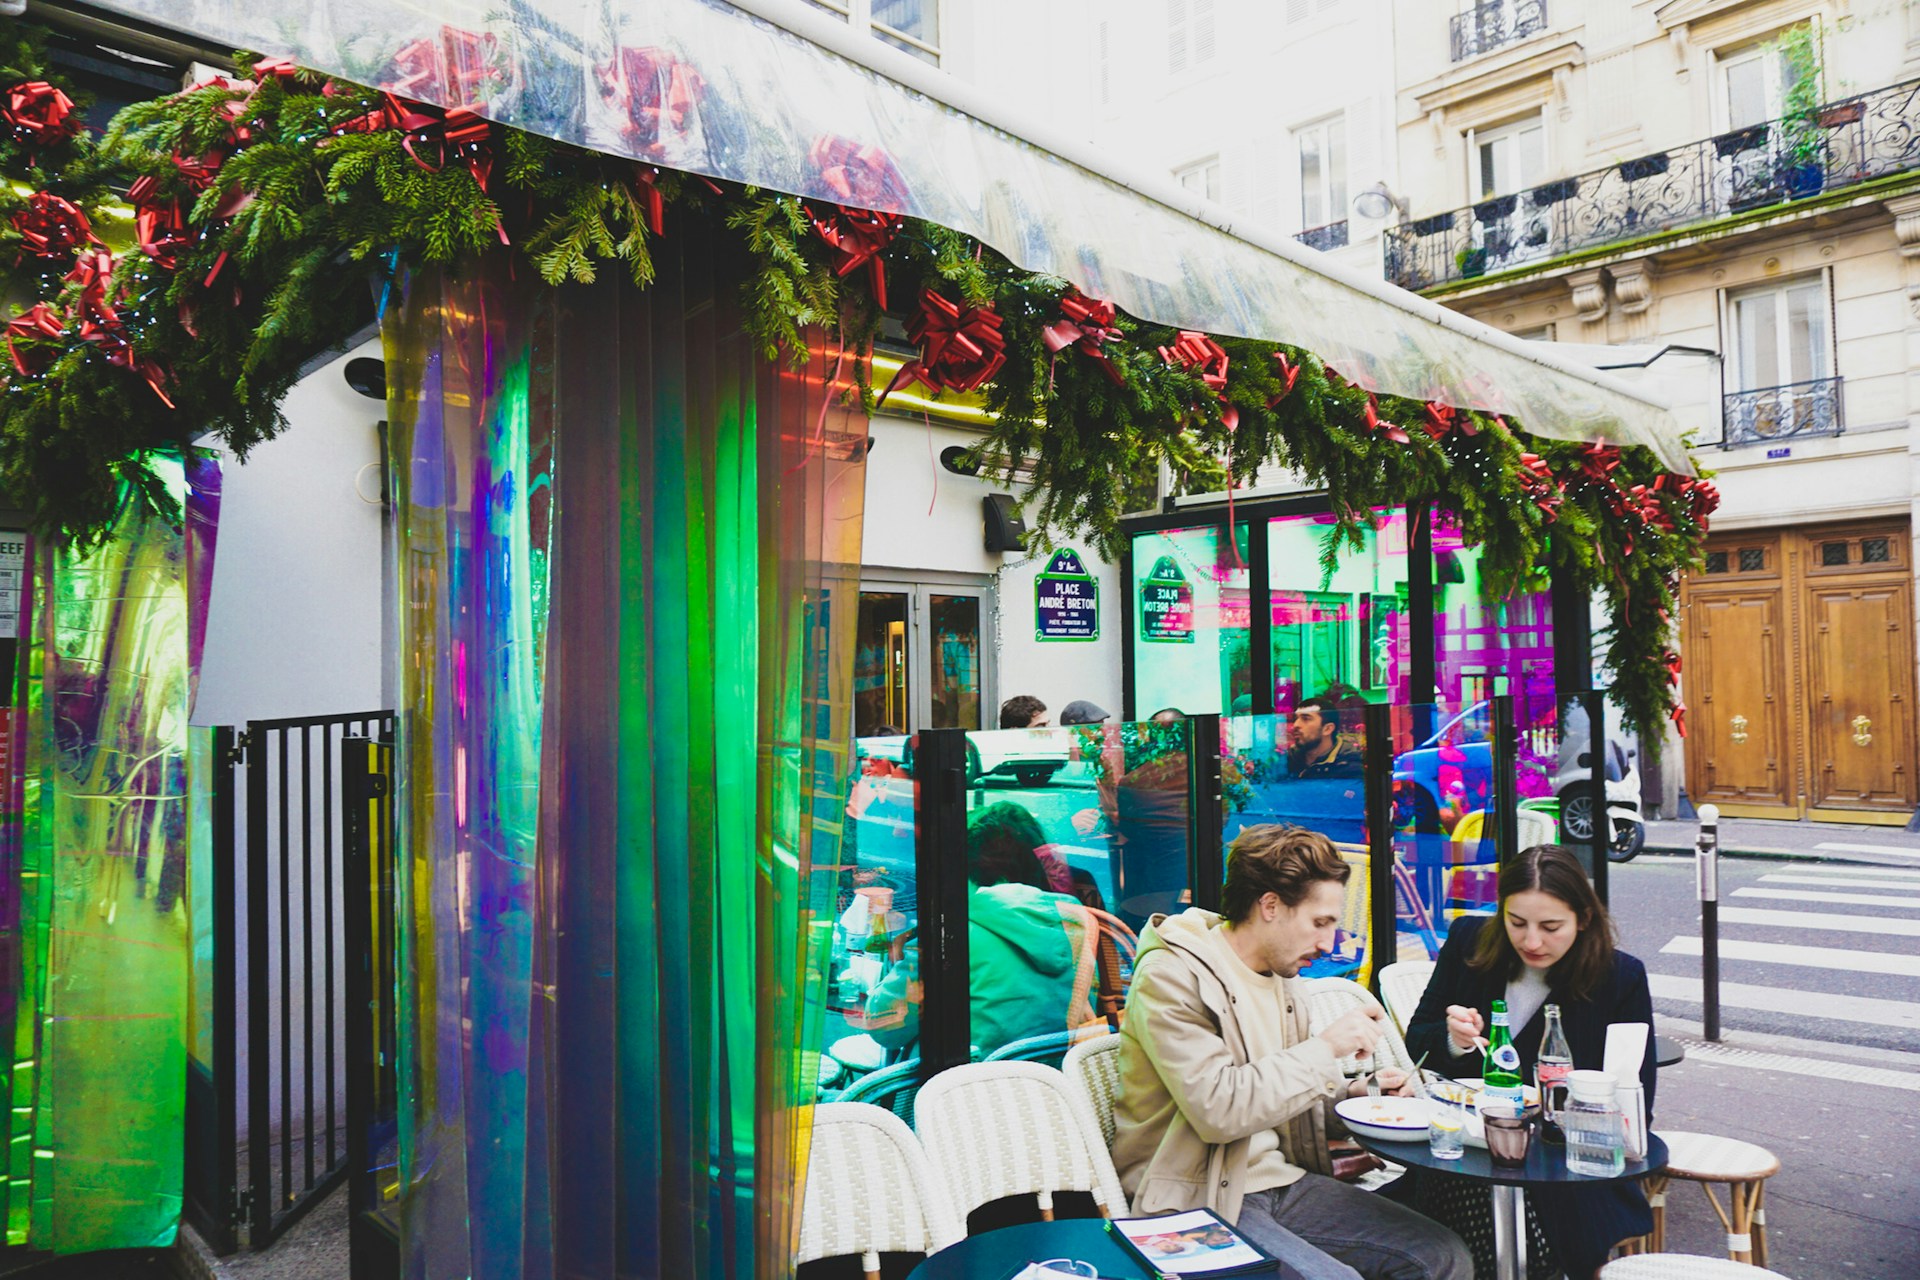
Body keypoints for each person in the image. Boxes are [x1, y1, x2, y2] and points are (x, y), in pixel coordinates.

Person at [1112, 824, 1473, 1280]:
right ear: (1270, 906)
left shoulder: (1284, 979)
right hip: (1199, 1197)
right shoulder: (1172, 976)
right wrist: (1326, 1049)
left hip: (1282, 1181)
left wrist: (1361, 1095)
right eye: (1320, 923)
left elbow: (1284, 1098)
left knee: (1443, 1254)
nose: (1328, 944)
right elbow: (1219, 1111)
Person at [1403, 845, 1657, 1280]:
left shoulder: (1619, 978)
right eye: (1516, 923)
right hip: (1466, 1156)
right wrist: (1453, 1039)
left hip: (1566, 1173)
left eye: (1551, 927)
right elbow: (1419, 1039)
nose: (1532, 942)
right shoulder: (1469, 941)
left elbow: (1636, 1103)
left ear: (1584, 919)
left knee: (1524, 1243)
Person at [863, 802, 1094, 1055]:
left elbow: (883, 1027)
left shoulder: (952, 934)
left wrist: (894, 971)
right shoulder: (1074, 920)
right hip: (1050, 1072)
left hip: (968, 1076)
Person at [1287, 692, 1362, 779]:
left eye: (1306, 719)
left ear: (1327, 729)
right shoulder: (1287, 759)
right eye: (1295, 718)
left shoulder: (1349, 766)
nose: (1296, 725)